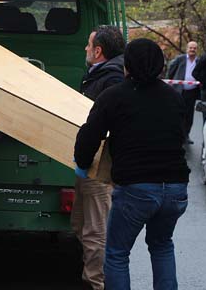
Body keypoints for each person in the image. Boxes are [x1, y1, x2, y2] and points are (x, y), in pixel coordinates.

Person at [74, 38, 190, 290]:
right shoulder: (173, 97)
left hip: (136, 188)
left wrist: (82, 164)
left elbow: (89, 135)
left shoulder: (113, 97)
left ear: (127, 65)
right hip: (175, 188)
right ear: (160, 66)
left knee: (116, 253)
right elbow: (180, 135)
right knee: (162, 246)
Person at [72, 25, 125, 290]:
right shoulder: (100, 75)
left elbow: (102, 126)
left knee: (95, 231)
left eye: (88, 44)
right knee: (81, 224)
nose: (85, 48)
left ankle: (97, 283)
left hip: (98, 164)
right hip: (88, 161)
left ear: (98, 50)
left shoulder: (112, 79)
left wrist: (85, 159)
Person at [167, 41, 200, 144]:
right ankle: (177, 135)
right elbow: (171, 71)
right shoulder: (180, 59)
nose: (192, 50)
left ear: (196, 50)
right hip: (180, 91)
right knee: (178, 113)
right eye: (190, 48)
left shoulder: (199, 61)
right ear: (187, 49)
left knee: (189, 115)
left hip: (192, 91)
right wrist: (172, 82)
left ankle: (186, 135)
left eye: (194, 48)